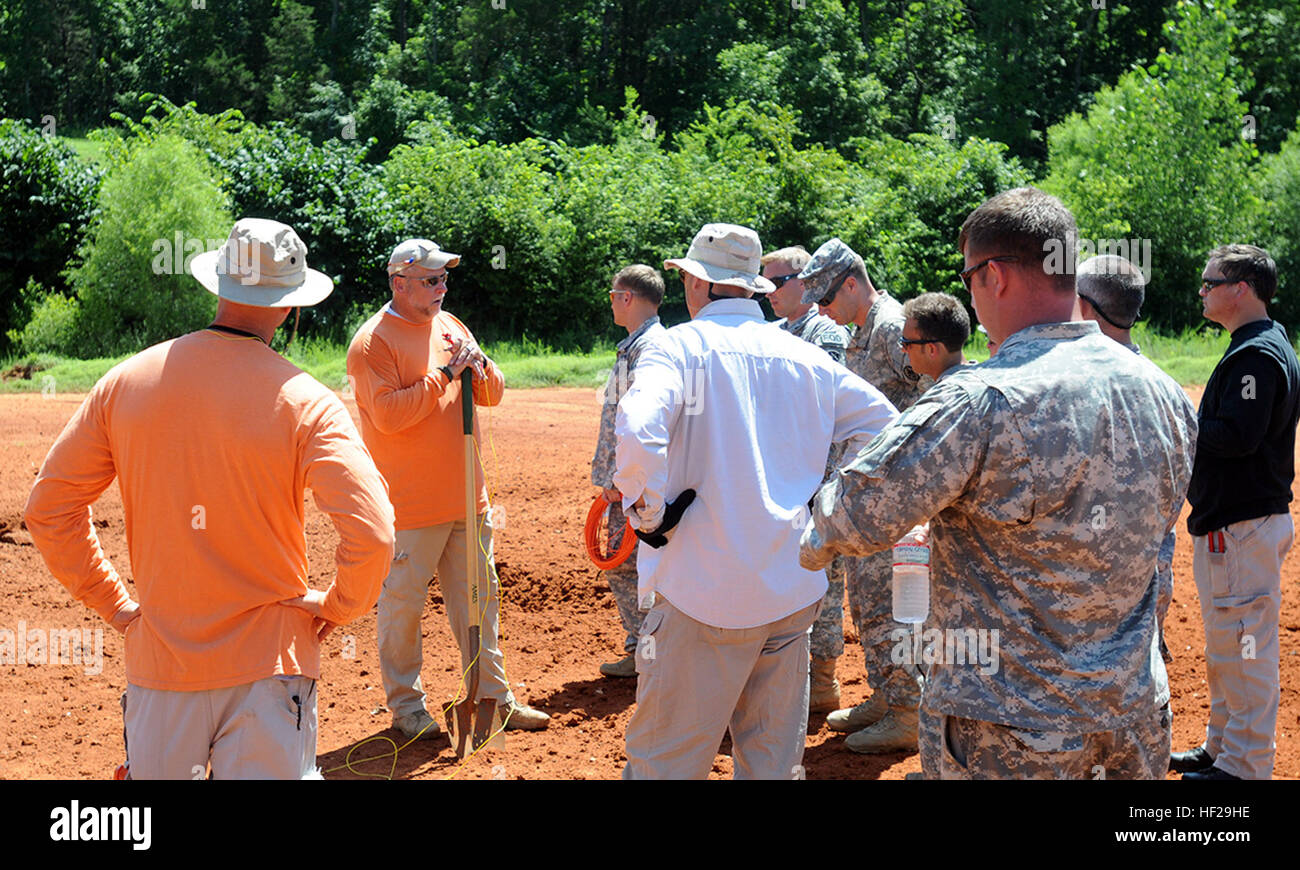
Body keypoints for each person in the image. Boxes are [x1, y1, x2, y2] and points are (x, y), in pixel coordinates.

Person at [800, 187, 1198, 779]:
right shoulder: (1163, 392)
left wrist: (807, 537)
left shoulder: (980, 399)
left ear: (995, 276)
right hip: (1132, 715)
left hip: (1008, 728)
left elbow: (854, 513)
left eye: (968, 277)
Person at [24, 217, 396, 779]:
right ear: (291, 307)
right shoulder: (307, 401)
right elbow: (373, 534)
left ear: (221, 286)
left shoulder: (124, 383)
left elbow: (48, 510)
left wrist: (119, 609)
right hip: (272, 668)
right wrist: (338, 606)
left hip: (159, 668)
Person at [615, 223, 898, 779]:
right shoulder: (803, 356)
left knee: (664, 764)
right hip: (790, 591)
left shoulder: (675, 347)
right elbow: (888, 427)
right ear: (753, 289)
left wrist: (647, 516)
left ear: (696, 282)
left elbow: (637, 430)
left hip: (700, 592)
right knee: (771, 767)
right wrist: (831, 507)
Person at [346, 238, 549, 741]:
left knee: (480, 600)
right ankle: (407, 709)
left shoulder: (452, 325)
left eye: (443, 279)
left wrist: (479, 366)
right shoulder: (373, 341)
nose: (442, 287)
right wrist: (444, 375)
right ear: (399, 282)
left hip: (467, 498)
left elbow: (493, 394)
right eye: (431, 280)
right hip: (408, 506)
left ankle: (493, 696)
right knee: (403, 608)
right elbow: (389, 416)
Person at [1171, 244, 1300, 780]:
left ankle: (1244, 767)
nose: (1202, 290)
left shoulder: (1255, 355)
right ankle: (1221, 748)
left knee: (1246, 650)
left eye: (1210, 282)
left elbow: (1238, 436)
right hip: (1237, 524)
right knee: (1229, 644)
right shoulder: (1261, 344)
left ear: (1241, 288)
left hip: (1243, 526)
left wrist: (1177, 422)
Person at [796, 238, 930, 753]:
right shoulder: (861, 331)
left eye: (826, 299)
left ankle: (908, 712)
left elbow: (932, 398)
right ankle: (888, 694)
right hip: (873, 496)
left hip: (898, 500)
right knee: (869, 601)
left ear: (852, 283)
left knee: (890, 605)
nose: (822, 310)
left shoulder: (894, 328)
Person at [760, 245, 851, 713]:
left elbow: (824, 407)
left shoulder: (824, 332)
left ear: (804, 281)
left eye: (777, 282)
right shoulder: (774, 332)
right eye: (764, 283)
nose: (769, 292)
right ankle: (791, 677)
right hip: (782, 475)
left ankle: (822, 682)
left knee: (824, 581)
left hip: (819, 477)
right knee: (786, 572)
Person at [1076, 255, 1179, 665]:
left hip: (1084, 602)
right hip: (1148, 590)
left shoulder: (1071, 384)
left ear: (1084, 307)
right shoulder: (1167, 389)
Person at [591, 264, 666, 679]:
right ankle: (642, 648)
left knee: (633, 566)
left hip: (633, 484)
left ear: (627, 297)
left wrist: (627, 481)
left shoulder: (649, 347)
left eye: (613, 294)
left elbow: (644, 423)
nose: (611, 302)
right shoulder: (637, 344)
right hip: (627, 480)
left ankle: (649, 652)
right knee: (629, 565)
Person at [900, 292, 971, 382]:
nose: (903, 349)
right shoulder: (985, 379)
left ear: (931, 349)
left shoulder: (944, 394)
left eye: (906, 343)